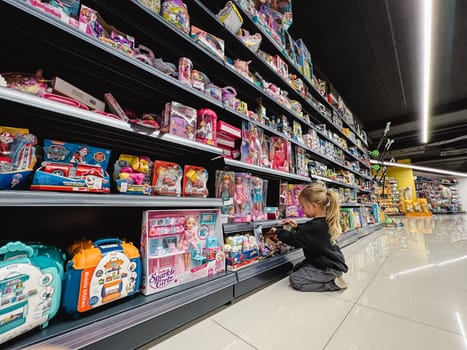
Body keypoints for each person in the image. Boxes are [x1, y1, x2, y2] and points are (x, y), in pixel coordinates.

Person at [269, 183, 348, 292]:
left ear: (313, 205)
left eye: (303, 206)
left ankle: (332, 284)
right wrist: (296, 227)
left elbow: (295, 240)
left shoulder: (315, 226)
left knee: (295, 279)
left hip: (328, 268)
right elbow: (309, 236)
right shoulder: (323, 222)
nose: (302, 209)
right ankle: (327, 278)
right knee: (297, 267)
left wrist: (278, 232)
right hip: (326, 263)